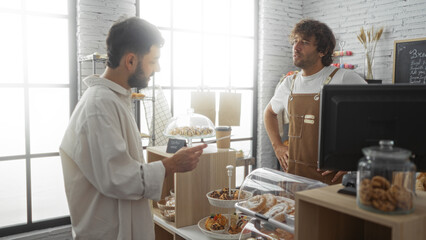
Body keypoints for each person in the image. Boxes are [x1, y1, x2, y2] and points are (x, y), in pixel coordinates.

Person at [59, 17, 207, 240]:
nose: (157, 68)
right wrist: (171, 165)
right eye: (153, 60)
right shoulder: (99, 105)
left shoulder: (113, 99)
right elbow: (116, 177)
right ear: (130, 61)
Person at [264, 19, 366, 185]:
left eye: (304, 42)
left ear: (323, 51)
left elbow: (375, 120)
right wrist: (278, 146)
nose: (296, 47)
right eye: (295, 41)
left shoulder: (344, 78)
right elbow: (269, 113)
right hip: (294, 178)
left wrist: (354, 157)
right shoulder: (289, 83)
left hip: (330, 184)